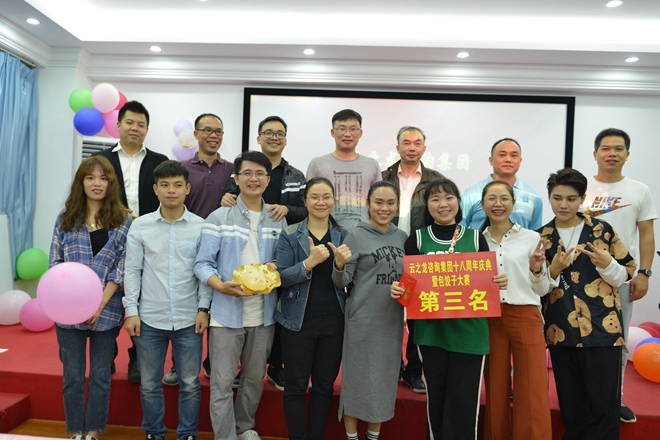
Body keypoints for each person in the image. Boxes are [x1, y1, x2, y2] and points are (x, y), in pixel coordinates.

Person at [391, 177, 508, 440]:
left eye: (449, 197)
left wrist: (498, 282)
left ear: (458, 202)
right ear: (427, 206)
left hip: (470, 334)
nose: (443, 204)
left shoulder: (476, 238)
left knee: (464, 403)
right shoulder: (417, 239)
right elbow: (408, 289)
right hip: (431, 334)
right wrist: (398, 291)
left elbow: (486, 283)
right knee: (438, 400)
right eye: (435, 199)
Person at [194, 151, 287, 440]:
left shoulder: (277, 218)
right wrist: (220, 286)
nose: (253, 179)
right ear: (236, 178)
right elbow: (202, 263)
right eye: (247, 173)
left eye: (260, 174)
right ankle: (225, 437)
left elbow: (284, 261)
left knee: (253, 380)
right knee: (222, 382)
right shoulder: (219, 216)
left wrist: (277, 266)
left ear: (268, 180)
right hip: (225, 313)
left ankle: (244, 428)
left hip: (264, 314)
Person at [539, 168, 636, 440]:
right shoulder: (541, 237)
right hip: (561, 331)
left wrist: (607, 265)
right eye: (557, 198)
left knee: (603, 406)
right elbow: (537, 287)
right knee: (571, 405)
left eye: (571, 199)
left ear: (582, 198)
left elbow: (627, 272)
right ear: (549, 197)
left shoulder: (602, 230)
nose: (564, 205)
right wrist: (553, 270)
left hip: (603, 330)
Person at [123, 160, 210, 440]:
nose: (171, 190)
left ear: (187, 189)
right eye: (165, 185)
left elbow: (205, 271)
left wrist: (203, 308)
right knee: (149, 384)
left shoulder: (201, 227)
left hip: (188, 317)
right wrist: (131, 311)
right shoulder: (141, 226)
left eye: (177, 185)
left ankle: (187, 434)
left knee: (190, 384)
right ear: (155, 189)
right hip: (150, 318)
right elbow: (132, 271)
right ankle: (154, 432)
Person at [49, 155, 132, 440]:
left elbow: (121, 269)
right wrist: (74, 304)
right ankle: (75, 430)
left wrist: (98, 304)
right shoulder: (66, 219)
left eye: (103, 178)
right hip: (67, 312)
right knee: (72, 376)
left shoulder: (124, 220)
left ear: (111, 183)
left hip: (107, 311)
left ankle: (94, 430)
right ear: (81, 182)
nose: (97, 183)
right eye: (90, 177)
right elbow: (55, 264)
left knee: (100, 375)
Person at [221, 115, 307, 391]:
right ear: (258, 138)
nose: (274, 137)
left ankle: (275, 366)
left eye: (280, 133)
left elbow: (305, 210)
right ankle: (239, 366)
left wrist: (288, 209)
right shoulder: (244, 169)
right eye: (268, 132)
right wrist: (226, 197)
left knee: (278, 311)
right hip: (246, 250)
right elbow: (229, 198)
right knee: (242, 308)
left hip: (283, 251)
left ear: (285, 139)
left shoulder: (296, 175)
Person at [581, 128, 657, 423]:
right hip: (579, 278)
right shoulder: (580, 186)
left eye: (618, 149)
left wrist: (644, 273)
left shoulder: (639, 190)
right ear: (595, 153)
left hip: (622, 278)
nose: (611, 153)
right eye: (605, 148)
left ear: (627, 154)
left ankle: (615, 397)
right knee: (579, 338)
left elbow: (647, 235)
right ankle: (582, 397)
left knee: (619, 340)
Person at [96, 100, 168, 383]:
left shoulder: (159, 161)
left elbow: (167, 197)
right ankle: (107, 354)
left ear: (147, 129)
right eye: (129, 122)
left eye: (141, 124)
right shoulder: (101, 160)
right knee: (110, 295)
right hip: (108, 237)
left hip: (149, 239)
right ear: (118, 125)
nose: (135, 128)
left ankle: (138, 358)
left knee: (144, 297)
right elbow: (91, 194)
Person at [275, 177, 352, 440]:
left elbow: (345, 282)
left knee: (323, 387)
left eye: (326, 197)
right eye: (315, 197)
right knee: (296, 386)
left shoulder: (344, 235)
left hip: (334, 322)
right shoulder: (289, 234)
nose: (321, 202)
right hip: (297, 322)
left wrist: (339, 266)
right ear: (305, 201)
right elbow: (281, 277)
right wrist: (308, 263)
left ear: (334, 201)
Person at [332, 181, 407, 440]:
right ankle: (352, 436)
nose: (384, 208)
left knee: (384, 379)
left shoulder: (402, 237)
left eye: (390, 203)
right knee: (357, 378)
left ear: (397, 206)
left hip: (391, 321)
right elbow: (341, 282)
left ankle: (373, 436)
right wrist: (339, 265)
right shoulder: (356, 235)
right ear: (367, 204)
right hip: (362, 320)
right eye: (378, 202)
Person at [162, 113, 233, 387]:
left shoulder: (233, 170)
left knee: (219, 309)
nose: (213, 136)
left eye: (218, 131)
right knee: (186, 308)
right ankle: (178, 365)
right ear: (196, 134)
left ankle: (215, 364)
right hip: (188, 248)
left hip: (223, 251)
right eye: (207, 130)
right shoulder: (182, 169)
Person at [480, 180, 552, 440]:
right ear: (482, 204)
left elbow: (543, 289)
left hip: (525, 314)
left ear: (513, 203)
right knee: (495, 387)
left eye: (504, 198)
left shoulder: (531, 238)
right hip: (490, 317)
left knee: (532, 386)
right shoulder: (475, 240)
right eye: (492, 198)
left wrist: (535, 269)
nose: (498, 204)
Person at [381, 125, 445, 394]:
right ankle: (391, 365)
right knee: (388, 310)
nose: (411, 147)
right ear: (397, 147)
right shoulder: (383, 177)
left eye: (417, 143)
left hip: (420, 253)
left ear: (424, 148)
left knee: (419, 313)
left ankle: (413, 371)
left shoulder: (436, 180)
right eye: (406, 143)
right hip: (387, 251)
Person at [306, 109, 381, 229]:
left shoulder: (372, 164)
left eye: (353, 129)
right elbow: (309, 202)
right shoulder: (317, 164)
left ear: (360, 133)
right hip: (327, 232)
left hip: (364, 233)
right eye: (342, 129)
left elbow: (378, 202)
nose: (347, 134)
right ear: (332, 132)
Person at [461, 138, 543, 231]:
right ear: (491, 160)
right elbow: (458, 230)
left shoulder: (533, 196)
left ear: (520, 161)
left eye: (513, 155)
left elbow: (536, 233)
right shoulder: (471, 194)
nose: (508, 159)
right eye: (502, 155)